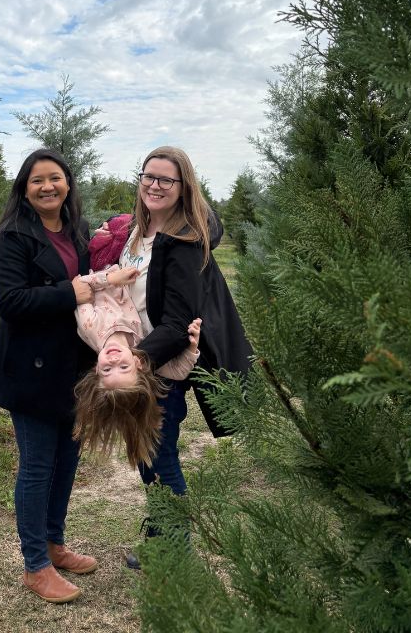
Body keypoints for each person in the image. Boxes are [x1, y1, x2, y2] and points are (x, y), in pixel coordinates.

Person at [117, 145, 253, 568]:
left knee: (161, 457)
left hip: (157, 369)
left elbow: (178, 323)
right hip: (134, 363)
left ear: (182, 187)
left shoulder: (183, 243)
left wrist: (136, 359)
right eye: (148, 176)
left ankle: (172, 550)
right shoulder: (139, 233)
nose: (154, 185)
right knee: (146, 455)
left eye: (166, 179)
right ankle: (162, 538)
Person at [0, 149, 97, 604]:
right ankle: (35, 565)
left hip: (71, 366)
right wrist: (67, 292)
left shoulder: (77, 231)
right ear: (24, 189)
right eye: (37, 181)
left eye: (55, 178)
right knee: (37, 466)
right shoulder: (12, 236)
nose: (47, 187)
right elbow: (10, 303)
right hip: (29, 368)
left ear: (68, 183)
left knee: (67, 462)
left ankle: (54, 543)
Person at [72, 263, 201, 467]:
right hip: (126, 272)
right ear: (138, 365)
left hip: (105, 269)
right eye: (123, 368)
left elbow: (79, 286)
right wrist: (192, 348)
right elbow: (178, 372)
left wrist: (112, 279)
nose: (114, 361)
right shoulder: (140, 348)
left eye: (107, 369)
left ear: (96, 369)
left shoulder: (90, 327)